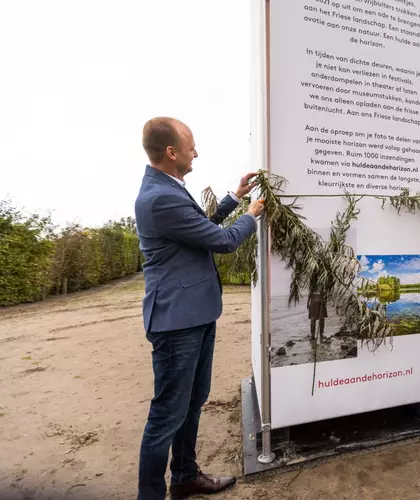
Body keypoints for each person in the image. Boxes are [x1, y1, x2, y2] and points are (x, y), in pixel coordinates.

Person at [134, 117, 265, 499]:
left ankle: (186, 476)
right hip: (178, 322)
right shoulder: (160, 197)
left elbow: (199, 228)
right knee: (167, 414)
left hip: (195, 314)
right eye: (191, 147)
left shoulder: (167, 189)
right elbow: (221, 241)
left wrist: (235, 198)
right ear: (172, 152)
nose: (197, 153)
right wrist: (251, 215)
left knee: (192, 401)